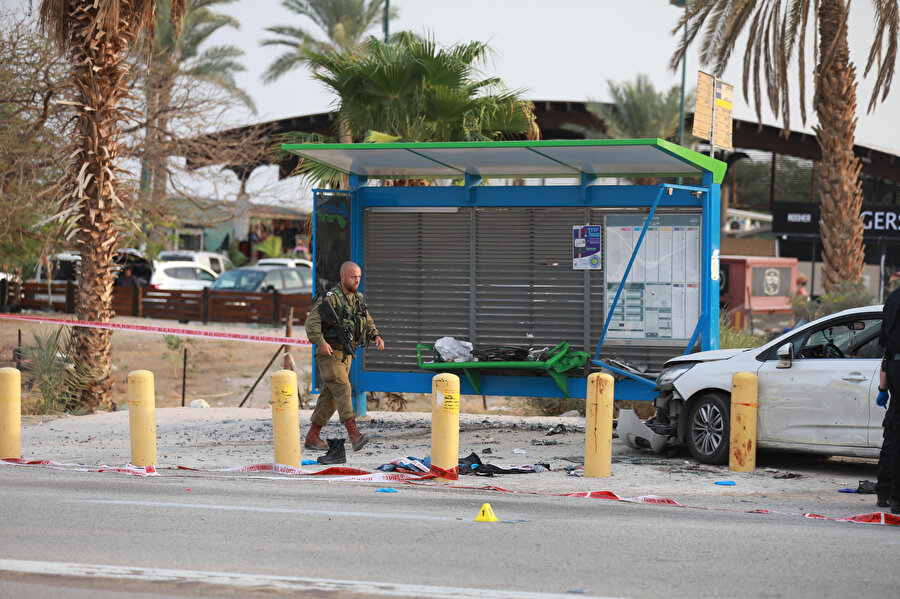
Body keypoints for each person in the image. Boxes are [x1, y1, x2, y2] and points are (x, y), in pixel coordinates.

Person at [304, 261, 384, 456]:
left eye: (358, 277)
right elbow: (311, 324)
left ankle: (313, 436)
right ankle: (354, 434)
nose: (357, 280)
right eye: (352, 277)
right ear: (342, 277)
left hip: (345, 355)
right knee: (342, 386)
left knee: (330, 397)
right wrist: (321, 342)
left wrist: (376, 336)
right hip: (329, 353)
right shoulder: (330, 298)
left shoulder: (357, 299)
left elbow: (367, 320)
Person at [876, 281, 900, 513]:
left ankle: (884, 491)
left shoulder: (892, 298)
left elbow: (887, 350)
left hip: (894, 367)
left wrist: (883, 388)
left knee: (893, 429)